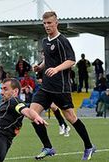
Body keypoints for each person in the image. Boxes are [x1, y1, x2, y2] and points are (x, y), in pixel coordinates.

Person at [31, 11, 95, 160]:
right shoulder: (45, 41)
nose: (47, 26)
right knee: (32, 114)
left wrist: (57, 69)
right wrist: (40, 67)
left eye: (50, 23)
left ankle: (89, 146)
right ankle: (48, 147)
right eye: (44, 23)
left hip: (61, 87)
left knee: (71, 117)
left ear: (56, 23)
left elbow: (71, 60)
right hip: (46, 87)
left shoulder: (62, 40)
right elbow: (48, 59)